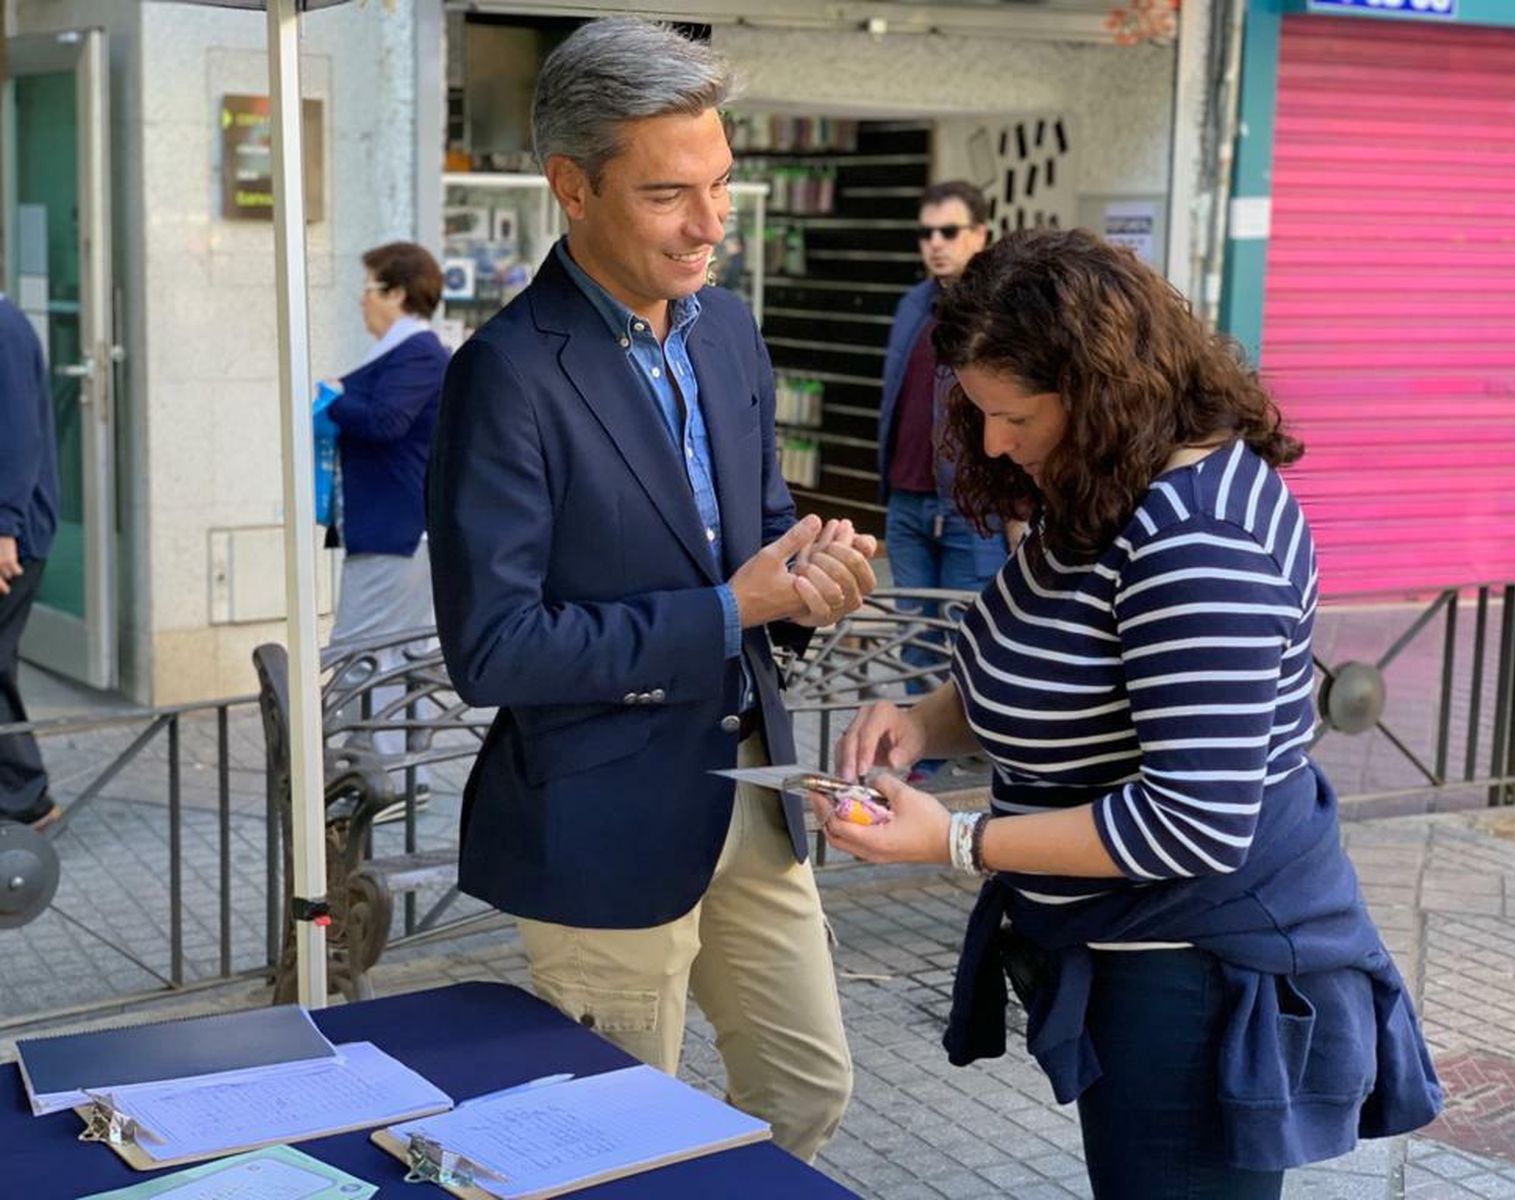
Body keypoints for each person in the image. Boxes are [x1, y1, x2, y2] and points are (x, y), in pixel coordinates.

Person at [816, 229, 1442, 1197]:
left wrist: (957, 841)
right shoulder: (1106, 481)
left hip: (1194, 972)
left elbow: (1190, 821)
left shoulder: (1199, 543)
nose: (992, 444)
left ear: (1100, 390)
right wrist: (926, 720)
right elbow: (1066, 672)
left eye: (1014, 415)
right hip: (1132, 954)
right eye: (977, 413)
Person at [426, 18, 874, 1162]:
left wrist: (813, 586)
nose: (712, 225)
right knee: (611, 1154)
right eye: (671, 194)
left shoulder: (726, 330)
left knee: (807, 1088)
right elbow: (494, 648)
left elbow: (758, 536)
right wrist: (736, 609)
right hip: (600, 820)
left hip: (752, 795)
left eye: (722, 185)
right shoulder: (505, 375)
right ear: (570, 186)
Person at [323, 242, 449, 814]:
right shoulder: (403, 353)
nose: (361, 300)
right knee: (395, 652)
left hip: (399, 529)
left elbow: (386, 421)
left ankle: (387, 782)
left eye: (370, 287)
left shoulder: (419, 352)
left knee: (361, 652)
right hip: (396, 526)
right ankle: (396, 777)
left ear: (397, 294)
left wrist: (332, 398)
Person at [879, 181, 1014, 704]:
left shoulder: (1002, 315)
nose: (936, 242)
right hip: (908, 501)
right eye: (926, 232)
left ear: (979, 234)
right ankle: (923, 750)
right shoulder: (911, 307)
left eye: (949, 231)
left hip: (972, 509)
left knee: (967, 637)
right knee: (913, 639)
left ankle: (972, 747)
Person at [0, 294, 60, 831]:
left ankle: (29, 798)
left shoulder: (3, 328)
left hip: (13, 538)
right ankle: (23, 795)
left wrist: (5, 529)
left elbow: (19, 441)